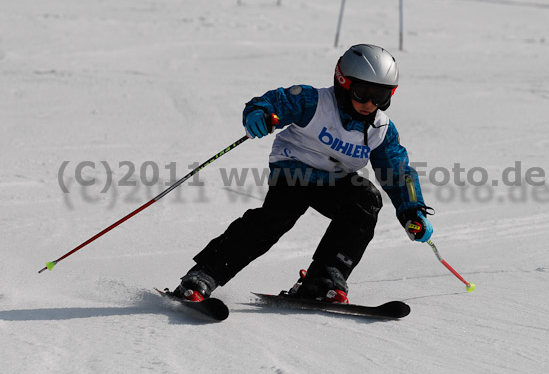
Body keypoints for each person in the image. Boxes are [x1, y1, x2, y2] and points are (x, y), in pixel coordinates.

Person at [173, 44, 434, 304]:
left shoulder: (381, 130)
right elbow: (273, 102)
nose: (369, 103)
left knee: (366, 200)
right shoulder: (313, 101)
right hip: (293, 171)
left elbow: (397, 172)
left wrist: (412, 210)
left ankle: (323, 280)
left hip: (334, 182)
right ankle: (203, 275)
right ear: (342, 83)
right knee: (275, 220)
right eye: (362, 92)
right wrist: (260, 114)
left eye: (380, 96)